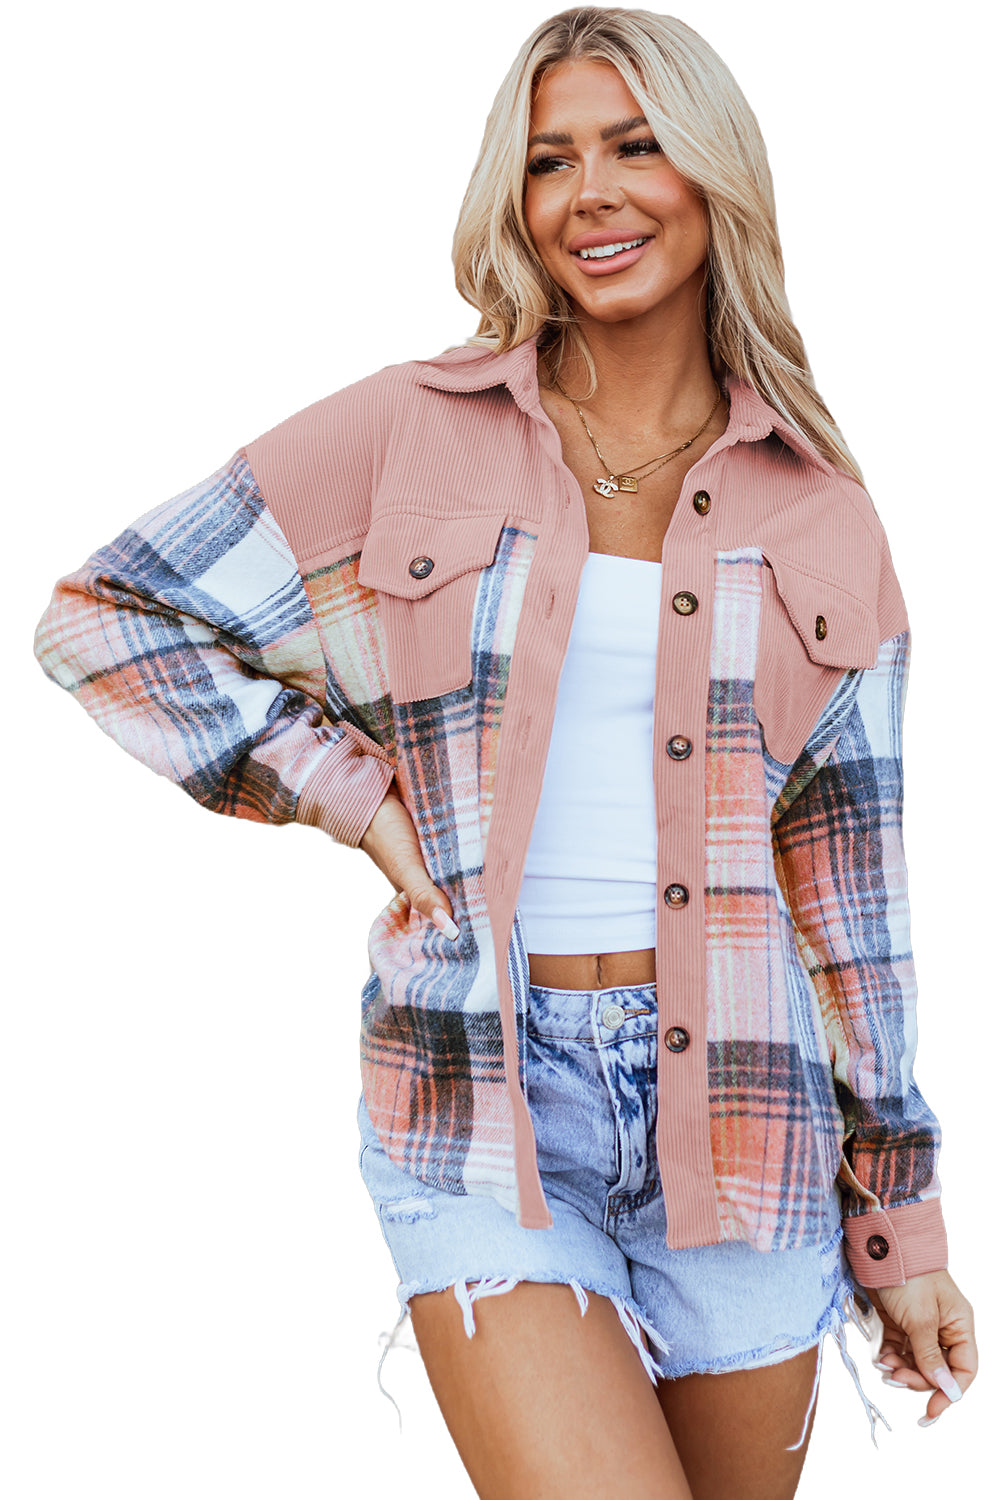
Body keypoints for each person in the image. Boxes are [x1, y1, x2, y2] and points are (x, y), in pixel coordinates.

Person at [33, 6, 977, 1497]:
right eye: (550, 160)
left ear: (714, 175)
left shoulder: (821, 511)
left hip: (748, 1121)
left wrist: (901, 1226)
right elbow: (109, 617)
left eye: (636, 146)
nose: (590, 193)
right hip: (480, 1089)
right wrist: (354, 799)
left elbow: (851, 911)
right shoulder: (409, 431)